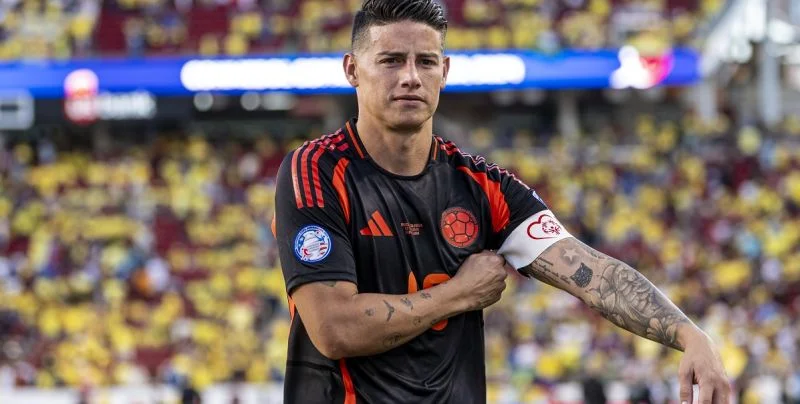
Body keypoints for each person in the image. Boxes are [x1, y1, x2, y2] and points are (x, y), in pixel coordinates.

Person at [274, 0, 731, 403]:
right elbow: (334, 328)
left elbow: (591, 272)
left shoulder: (482, 186)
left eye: (425, 62)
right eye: (391, 60)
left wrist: (689, 335)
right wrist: (458, 294)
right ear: (352, 69)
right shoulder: (315, 171)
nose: (410, 77)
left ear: (444, 72)